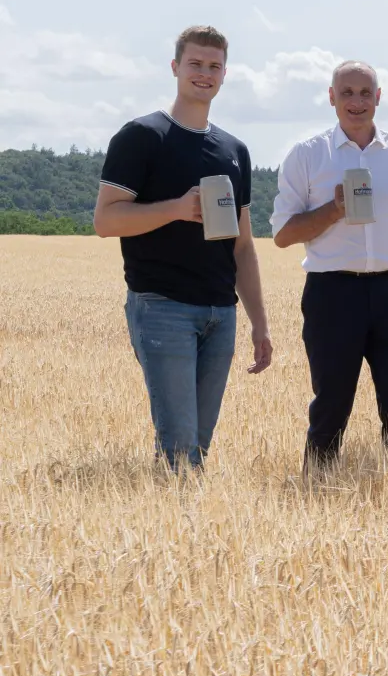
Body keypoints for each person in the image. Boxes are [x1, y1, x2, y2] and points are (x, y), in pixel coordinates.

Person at [92, 25, 273, 470]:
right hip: (161, 307)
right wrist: (174, 208)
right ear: (175, 67)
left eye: (214, 66)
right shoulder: (141, 136)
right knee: (180, 451)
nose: (204, 73)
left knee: (196, 450)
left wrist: (259, 323)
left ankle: (173, 526)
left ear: (225, 74)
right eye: (195, 63)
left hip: (221, 314)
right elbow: (105, 220)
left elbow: (244, 247)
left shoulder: (234, 150)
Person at [270, 61, 388, 469]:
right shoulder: (307, 155)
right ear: (331, 97)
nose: (356, 102)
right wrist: (334, 209)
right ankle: (318, 486)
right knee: (332, 401)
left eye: (365, 93)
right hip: (332, 293)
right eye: (347, 93)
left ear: (378, 98)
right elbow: (283, 234)